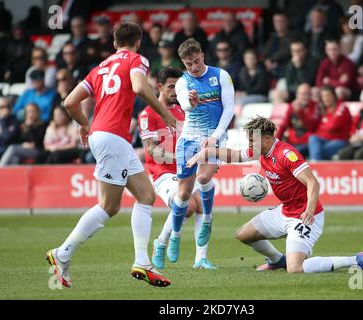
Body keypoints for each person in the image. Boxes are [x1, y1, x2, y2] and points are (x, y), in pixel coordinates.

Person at [46, 22, 177, 288]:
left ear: (114, 43)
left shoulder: (100, 68)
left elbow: (69, 102)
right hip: (113, 137)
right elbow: (140, 88)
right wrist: (165, 113)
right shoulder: (137, 60)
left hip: (107, 136)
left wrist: (84, 123)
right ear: (138, 42)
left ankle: (142, 261)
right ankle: (63, 253)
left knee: (145, 195)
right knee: (107, 206)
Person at [186, 116, 363, 274]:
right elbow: (235, 155)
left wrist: (309, 211)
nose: (250, 144)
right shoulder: (261, 151)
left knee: (296, 269)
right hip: (285, 212)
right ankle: (277, 260)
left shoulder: (286, 154)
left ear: (268, 139)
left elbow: (313, 182)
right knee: (243, 235)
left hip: (304, 216)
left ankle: (356, 259)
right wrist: (206, 153)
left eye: (253, 140)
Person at [138, 67, 216, 270]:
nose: (176, 91)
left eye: (179, 87)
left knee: (200, 203)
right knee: (188, 206)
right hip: (163, 174)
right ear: (160, 87)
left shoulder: (186, 110)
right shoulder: (149, 114)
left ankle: (200, 259)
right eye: (172, 87)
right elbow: (151, 150)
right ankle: (161, 242)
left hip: (188, 168)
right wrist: (179, 157)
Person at [168, 38, 235, 262]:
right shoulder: (182, 83)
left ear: (203, 56)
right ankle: (175, 236)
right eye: (189, 64)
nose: (194, 67)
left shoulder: (221, 75)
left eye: (197, 61)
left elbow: (229, 109)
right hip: (189, 138)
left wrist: (215, 137)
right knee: (184, 193)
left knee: (204, 176)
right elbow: (184, 106)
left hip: (215, 135)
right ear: (183, 64)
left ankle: (207, 218)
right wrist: (192, 103)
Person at [275, 83, 320, 158]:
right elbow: (284, 126)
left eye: (307, 94)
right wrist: (275, 142)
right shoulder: (292, 107)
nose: (305, 97)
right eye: (303, 94)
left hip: (308, 144)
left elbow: (311, 126)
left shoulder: (315, 106)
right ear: (297, 95)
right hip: (292, 143)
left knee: (291, 154)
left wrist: (299, 112)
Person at [308, 86, 352, 161]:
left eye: (328, 96)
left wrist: (323, 127)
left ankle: (315, 166)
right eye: (323, 97)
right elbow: (316, 130)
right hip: (324, 141)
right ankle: (316, 164)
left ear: (334, 96)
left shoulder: (342, 107)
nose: (326, 99)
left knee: (316, 150)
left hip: (340, 141)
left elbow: (333, 126)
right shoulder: (324, 111)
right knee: (312, 138)